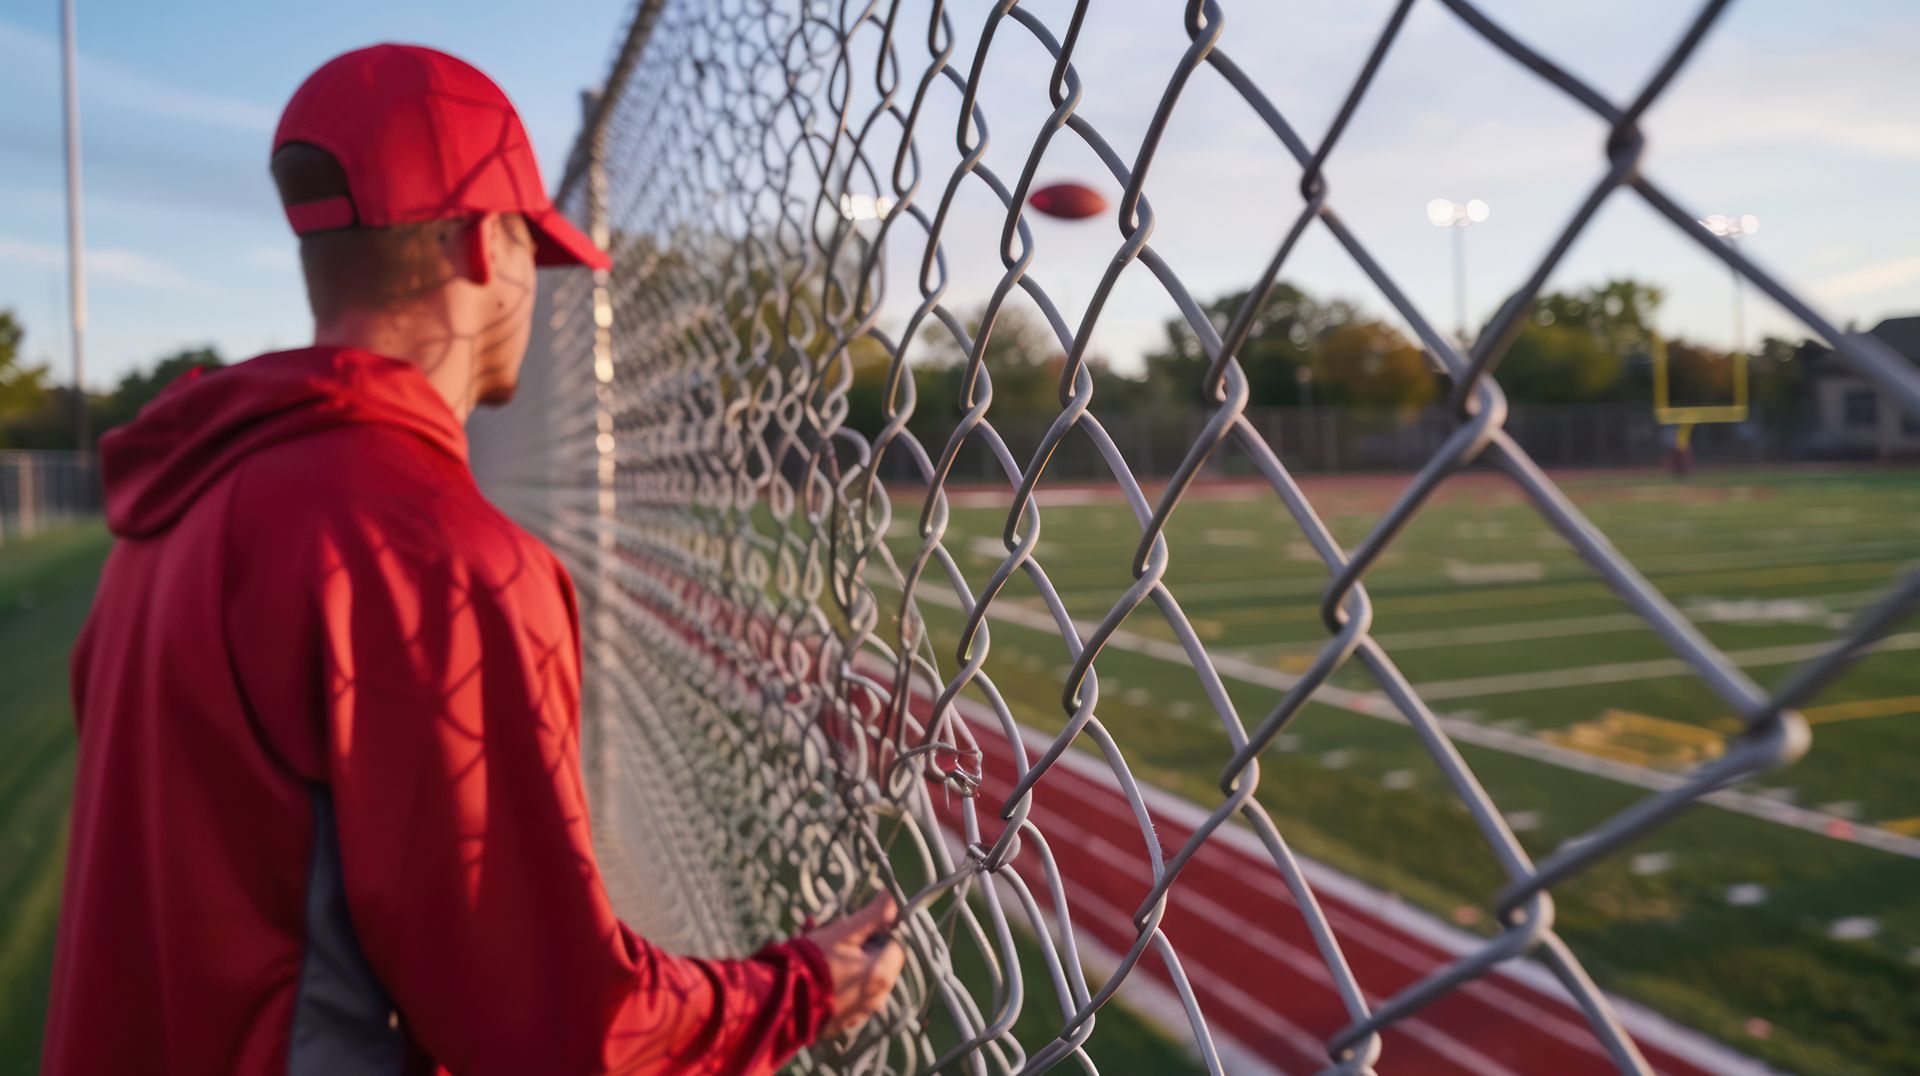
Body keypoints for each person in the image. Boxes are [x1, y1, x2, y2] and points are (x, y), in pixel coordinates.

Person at [42, 44, 903, 1075]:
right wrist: (797, 989)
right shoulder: (432, 554)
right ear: (480, 245)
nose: (534, 293)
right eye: (532, 255)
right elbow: (552, 1026)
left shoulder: (173, 510)